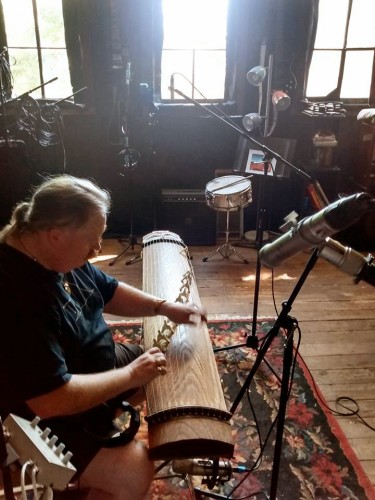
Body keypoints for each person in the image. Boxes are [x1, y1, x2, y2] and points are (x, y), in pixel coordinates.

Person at [0, 174, 207, 499]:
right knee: (137, 470)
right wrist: (128, 375)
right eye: (92, 240)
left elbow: (107, 290)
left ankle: (106, 416)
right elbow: (51, 400)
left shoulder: (54, 252)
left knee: (167, 367)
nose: (98, 248)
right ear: (55, 235)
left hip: (89, 367)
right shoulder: (14, 298)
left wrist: (164, 307)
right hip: (42, 415)